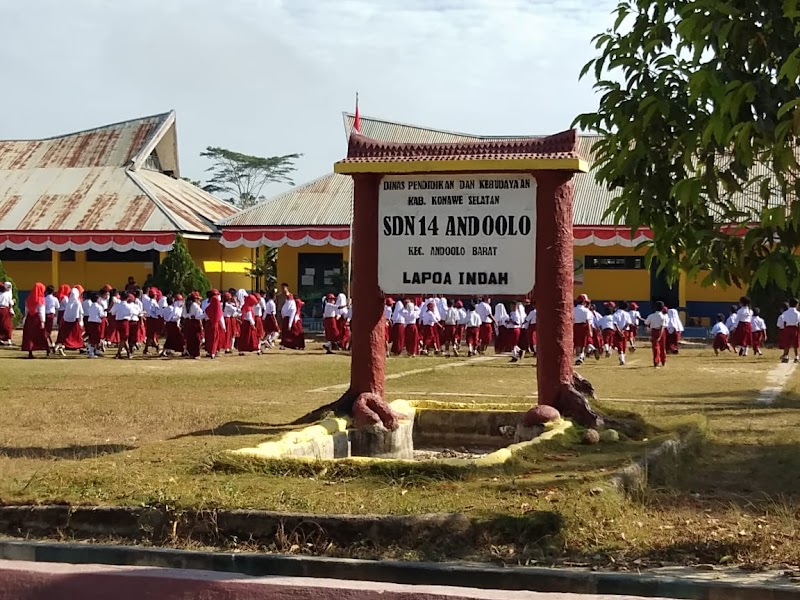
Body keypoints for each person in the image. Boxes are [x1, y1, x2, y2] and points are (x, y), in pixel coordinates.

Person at [21, 282, 50, 359]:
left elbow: (26, 310)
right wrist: (42, 321)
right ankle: (46, 349)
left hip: (29, 318)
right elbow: (41, 311)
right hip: (37, 319)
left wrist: (24, 319)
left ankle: (30, 351)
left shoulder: (29, 298)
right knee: (41, 335)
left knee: (30, 335)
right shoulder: (41, 299)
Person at [55, 287, 84, 355]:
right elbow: (80, 313)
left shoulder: (69, 302)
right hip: (75, 322)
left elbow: (66, 313)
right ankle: (79, 347)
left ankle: (62, 346)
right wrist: (81, 322)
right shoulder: (77, 302)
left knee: (68, 336)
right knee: (76, 336)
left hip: (67, 322)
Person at [645, 301, 669, 368]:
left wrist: (647, 329)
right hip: (661, 331)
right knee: (662, 347)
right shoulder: (663, 317)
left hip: (654, 331)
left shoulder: (651, 316)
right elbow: (662, 327)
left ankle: (656, 362)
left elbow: (646, 323)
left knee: (655, 347)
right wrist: (660, 335)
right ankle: (663, 361)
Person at [573, 294, 595, 365]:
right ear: (583, 302)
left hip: (575, 326)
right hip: (584, 326)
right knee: (583, 343)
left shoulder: (573, 310)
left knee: (577, 343)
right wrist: (590, 331)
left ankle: (578, 357)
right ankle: (580, 356)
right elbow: (588, 321)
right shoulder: (586, 311)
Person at [203, 291, 225, 359]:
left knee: (209, 337)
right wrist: (223, 326)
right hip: (214, 323)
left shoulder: (206, 304)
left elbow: (204, 314)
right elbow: (220, 315)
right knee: (214, 338)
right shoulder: (217, 304)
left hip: (207, 322)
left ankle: (210, 351)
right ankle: (213, 352)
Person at [85, 292, 106, 358]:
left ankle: (96, 351)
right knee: (95, 338)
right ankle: (91, 353)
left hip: (90, 322)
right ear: (97, 299)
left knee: (93, 337)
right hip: (96, 323)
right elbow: (101, 315)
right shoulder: (99, 307)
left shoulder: (91, 306)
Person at [184, 294, 204, 359]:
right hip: (195, 322)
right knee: (197, 338)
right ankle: (196, 353)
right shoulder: (195, 305)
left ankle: (191, 352)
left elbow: (184, 314)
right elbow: (200, 314)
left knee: (190, 338)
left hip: (189, 322)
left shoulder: (186, 304)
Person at [780, 299, 800, 364]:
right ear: (796, 305)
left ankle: (786, 356)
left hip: (787, 328)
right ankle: (796, 356)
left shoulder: (785, 313)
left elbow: (784, 322)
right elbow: (799, 322)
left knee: (787, 343)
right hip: (795, 328)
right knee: (795, 343)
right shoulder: (797, 313)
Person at [612, 301, 632, 366]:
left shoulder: (615, 314)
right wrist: (623, 330)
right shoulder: (627, 314)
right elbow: (628, 323)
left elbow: (615, 324)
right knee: (624, 344)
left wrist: (619, 331)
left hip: (617, 331)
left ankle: (622, 358)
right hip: (625, 331)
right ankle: (622, 358)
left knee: (619, 344)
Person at [0, 281, 15, 346]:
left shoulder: (1, 294)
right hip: (5, 310)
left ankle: (1, 339)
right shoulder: (7, 294)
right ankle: (9, 340)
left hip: (2, 310)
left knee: (1, 325)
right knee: (7, 325)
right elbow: (10, 303)